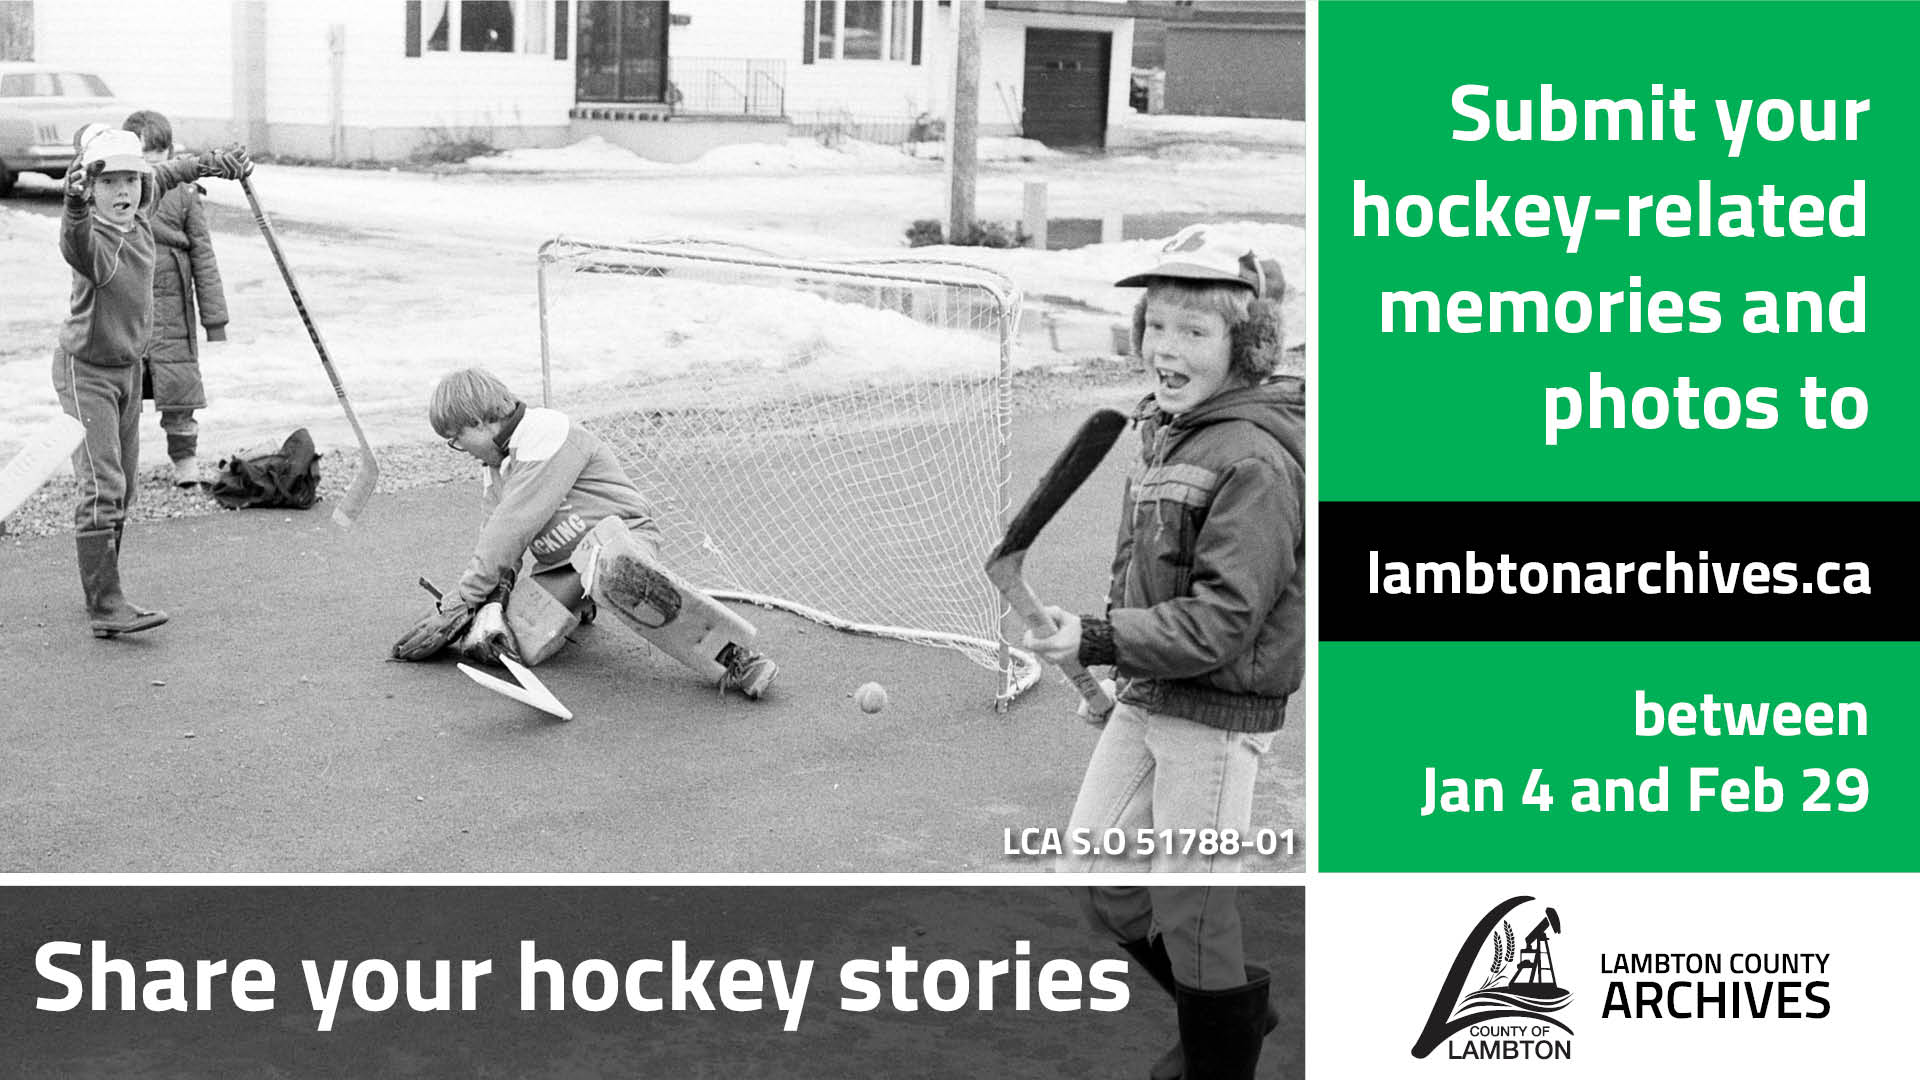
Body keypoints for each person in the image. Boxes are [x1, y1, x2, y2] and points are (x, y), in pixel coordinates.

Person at [1025, 225, 1301, 1077]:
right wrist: (1104, 662)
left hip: (1216, 711)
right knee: (1099, 876)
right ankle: (1230, 1016)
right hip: (1154, 692)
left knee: (1191, 899)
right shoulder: (1168, 430)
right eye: (1157, 325)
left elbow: (1225, 619)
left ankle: (1218, 1054)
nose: (1166, 348)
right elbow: (1136, 572)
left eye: (1195, 330)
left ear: (1244, 344)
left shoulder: (1252, 456)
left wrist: (1105, 638)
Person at [391, 367, 780, 699]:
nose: (457, 447)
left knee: (611, 572)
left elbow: (514, 525)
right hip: (562, 567)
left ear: (479, 421)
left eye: (456, 438)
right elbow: (495, 538)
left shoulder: (546, 431)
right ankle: (583, 603)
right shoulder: (494, 469)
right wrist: (483, 606)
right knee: (511, 643)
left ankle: (736, 658)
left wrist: (462, 598)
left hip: (620, 541)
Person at [53, 126, 250, 637]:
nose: (124, 191)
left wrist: (211, 161)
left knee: (127, 486)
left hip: (127, 370)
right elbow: (74, 239)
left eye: (130, 181)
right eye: (109, 182)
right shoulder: (93, 241)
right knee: (102, 485)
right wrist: (73, 207)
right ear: (89, 189)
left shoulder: (142, 208)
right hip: (86, 372)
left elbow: (169, 171)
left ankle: (104, 588)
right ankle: (105, 606)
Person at [124, 109, 230, 489]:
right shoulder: (119, 193)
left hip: (173, 311)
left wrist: (214, 321)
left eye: (159, 151)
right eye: (142, 152)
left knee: (179, 394)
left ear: (170, 152)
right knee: (124, 394)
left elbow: (203, 255)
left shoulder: (185, 195)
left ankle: (185, 462)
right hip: (128, 312)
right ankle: (121, 468)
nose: (152, 160)